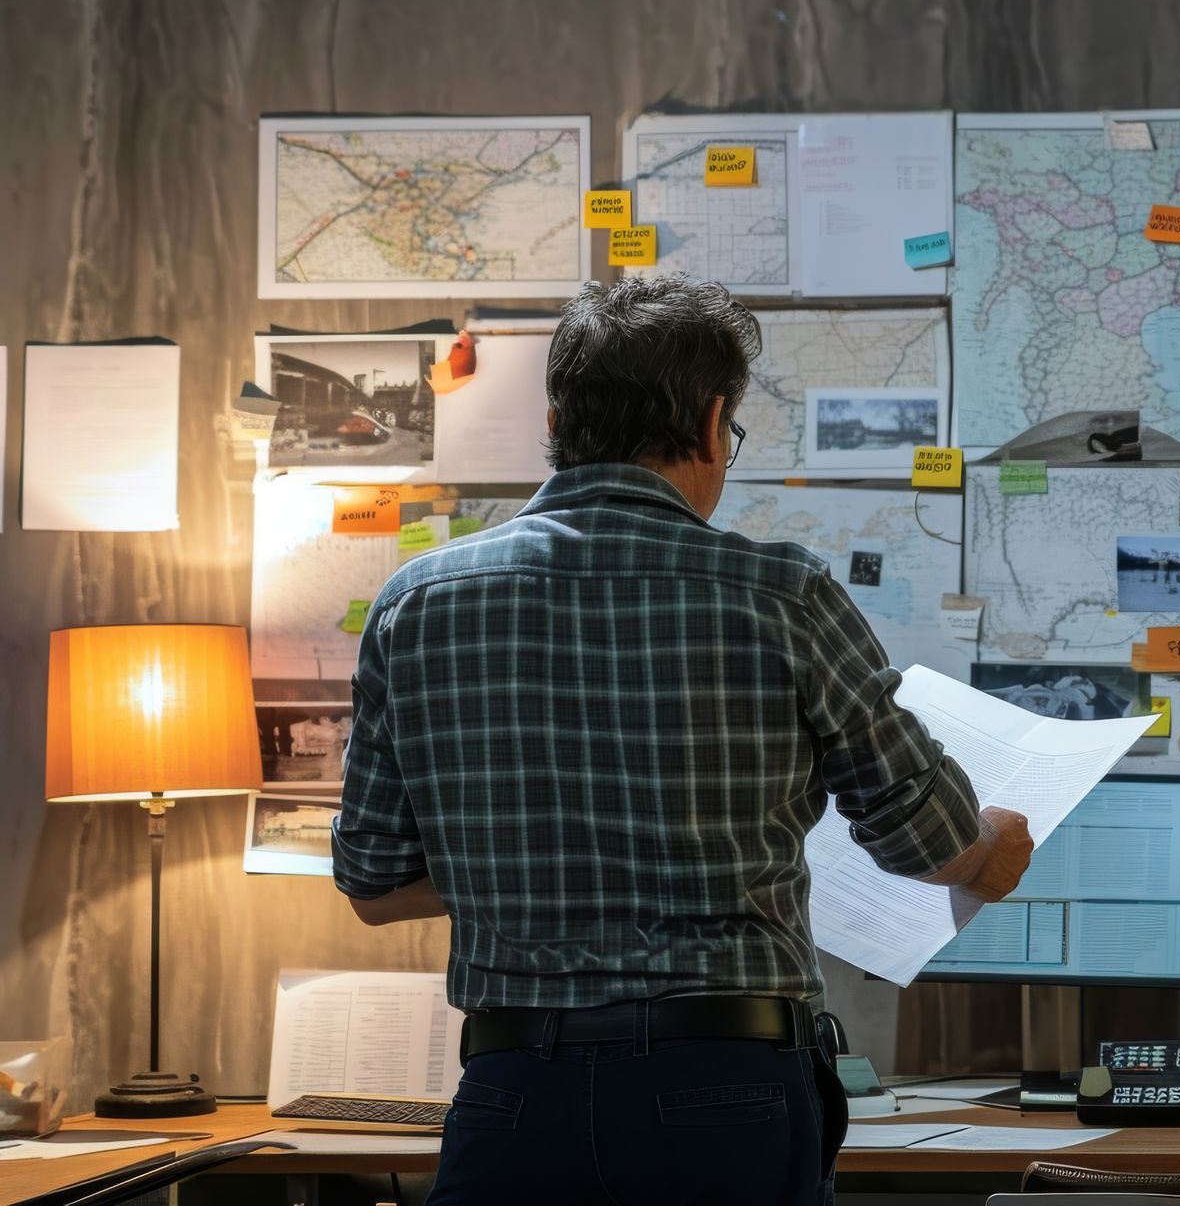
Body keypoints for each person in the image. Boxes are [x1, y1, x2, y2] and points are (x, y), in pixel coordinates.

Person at [332, 275, 1035, 1205]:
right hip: (724, 1095)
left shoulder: (415, 605)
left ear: (556, 416)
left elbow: (374, 888)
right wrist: (993, 847)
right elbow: (927, 839)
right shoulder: (778, 595)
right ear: (712, 426)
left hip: (511, 1096)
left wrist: (535, 868)